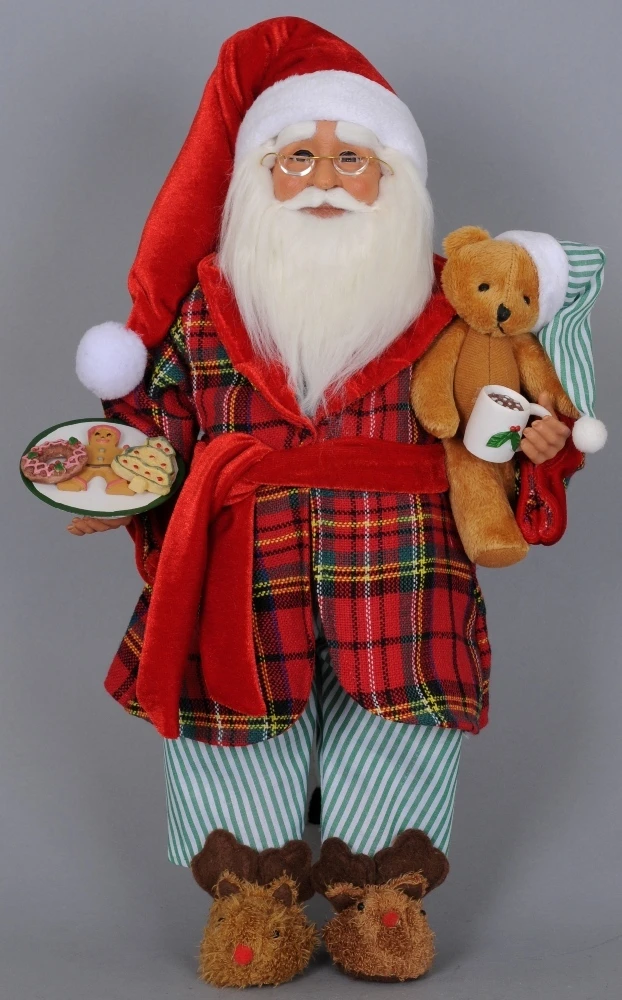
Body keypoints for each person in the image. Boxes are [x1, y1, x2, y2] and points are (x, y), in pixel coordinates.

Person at [67, 17, 579, 987]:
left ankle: (382, 897)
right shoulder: (209, 305)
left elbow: (500, 421)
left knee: (401, 723)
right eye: (297, 157)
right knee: (232, 724)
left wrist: (536, 452)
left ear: (396, 180)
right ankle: (252, 897)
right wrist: (119, 488)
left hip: (405, 567)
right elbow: (162, 425)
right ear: (256, 179)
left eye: (352, 160)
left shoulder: (450, 306)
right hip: (242, 561)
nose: (324, 180)